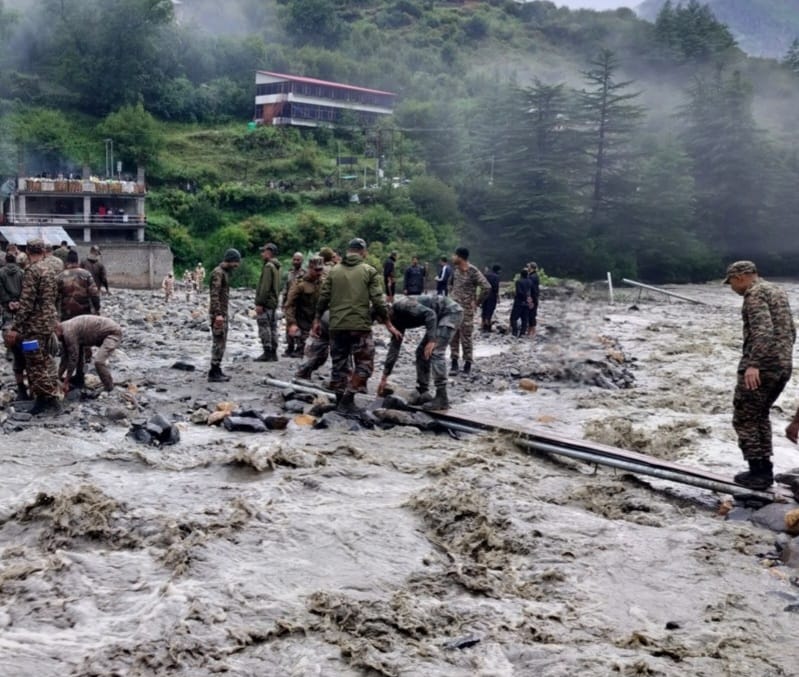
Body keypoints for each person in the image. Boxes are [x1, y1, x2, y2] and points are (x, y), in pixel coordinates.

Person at [725, 261, 795, 490]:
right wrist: (782, 359)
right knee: (760, 415)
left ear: (741, 277)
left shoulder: (754, 294)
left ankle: (758, 472)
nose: (732, 288)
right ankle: (764, 469)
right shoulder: (777, 291)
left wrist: (754, 364)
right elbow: (791, 330)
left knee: (744, 417)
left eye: (731, 282)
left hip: (762, 367)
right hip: (782, 365)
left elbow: (763, 331)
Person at [314, 238, 401, 413]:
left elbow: (323, 297)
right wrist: (388, 323)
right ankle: (348, 399)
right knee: (365, 364)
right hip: (359, 326)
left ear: (349, 250)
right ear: (363, 251)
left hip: (336, 325)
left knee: (339, 364)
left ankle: (339, 402)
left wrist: (316, 320)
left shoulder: (334, 271)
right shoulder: (369, 271)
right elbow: (378, 300)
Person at [377, 294, 463, 410]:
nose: (386, 324)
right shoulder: (395, 322)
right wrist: (384, 377)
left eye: (384, 319)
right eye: (382, 322)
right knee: (421, 352)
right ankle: (423, 392)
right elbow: (394, 348)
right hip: (436, 318)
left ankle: (442, 397)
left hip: (450, 312)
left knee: (436, 352)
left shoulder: (403, 305)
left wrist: (432, 340)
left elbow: (430, 314)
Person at [6, 238, 61, 415]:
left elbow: (27, 304)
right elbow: (53, 298)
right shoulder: (50, 270)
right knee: (47, 360)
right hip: (48, 323)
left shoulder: (32, 271)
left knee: (35, 363)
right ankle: (53, 398)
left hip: (34, 326)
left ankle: (44, 400)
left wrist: (15, 327)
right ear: (43, 251)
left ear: (28, 252)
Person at [448, 246, 490, 375]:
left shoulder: (473, 271)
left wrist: (476, 302)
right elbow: (450, 284)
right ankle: (454, 363)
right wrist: (451, 297)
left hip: (466, 310)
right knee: (453, 335)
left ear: (460, 257)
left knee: (466, 337)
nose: (452, 257)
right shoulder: (455, 270)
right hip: (453, 308)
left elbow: (487, 287)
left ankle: (467, 364)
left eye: (455, 255)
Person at [56, 315, 123, 392]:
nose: (56, 340)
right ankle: (79, 378)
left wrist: (66, 382)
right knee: (78, 351)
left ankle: (109, 388)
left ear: (56, 329)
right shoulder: (64, 330)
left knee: (99, 362)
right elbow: (65, 358)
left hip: (112, 333)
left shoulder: (68, 332)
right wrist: (57, 378)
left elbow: (73, 358)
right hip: (98, 334)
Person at [208, 248, 241, 382]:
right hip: (218, 314)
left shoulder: (224, 273)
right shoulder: (218, 273)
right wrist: (218, 314)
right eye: (236, 262)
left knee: (221, 341)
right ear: (230, 260)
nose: (237, 265)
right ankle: (214, 371)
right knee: (218, 341)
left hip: (222, 312)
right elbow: (214, 294)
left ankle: (217, 368)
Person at [285, 256, 324, 361]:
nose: (319, 273)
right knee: (305, 352)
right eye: (316, 270)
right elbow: (289, 305)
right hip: (302, 322)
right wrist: (292, 323)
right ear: (310, 268)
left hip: (317, 322)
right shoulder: (300, 284)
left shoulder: (323, 283)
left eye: (321, 270)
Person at [0, 252, 27, 400]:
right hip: (21, 305)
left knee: (8, 327)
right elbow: (25, 288)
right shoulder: (22, 272)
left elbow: (0, 288)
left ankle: (10, 349)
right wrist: (19, 301)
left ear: (5, 260)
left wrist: (8, 301)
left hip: (7, 306)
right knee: (21, 329)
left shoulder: (1, 272)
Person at [254, 242, 281, 361]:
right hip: (273, 303)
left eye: (263, 251)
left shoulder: (268, 267)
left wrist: (259, 303)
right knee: (273, 327)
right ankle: (273, 353)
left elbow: (265, 287)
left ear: (269, 253)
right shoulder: (277, 266)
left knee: (264, 326)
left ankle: (267, 352)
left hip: (266, 303)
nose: (262, 254)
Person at [58, 250, 100, 321]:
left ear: (67, 262)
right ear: (77, 262)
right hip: (84, 311)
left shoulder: (61, 276)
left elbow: (56, 296)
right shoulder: (86, 274)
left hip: (67, 312)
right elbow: (94, 294)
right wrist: (97, 308)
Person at [282, 252, 306, 357]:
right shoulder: (290, 273)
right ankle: (290, 347)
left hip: (300, 304)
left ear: (302, 261)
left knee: (300, 325)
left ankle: (300, 349)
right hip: (290, 304)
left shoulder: (304, 274)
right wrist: (283, 302)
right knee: (289, 325)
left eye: (298, 260)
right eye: (294, 259)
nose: (296, 262)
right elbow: (286, 288)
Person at [510, 269, 533, 338]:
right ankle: (522, 333)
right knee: (525, 319)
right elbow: (531, 292)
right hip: (527, 302)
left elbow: (519, 292)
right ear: (527, 275)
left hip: (519, 302)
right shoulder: (530, 281)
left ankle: (515, 332)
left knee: (513, 318)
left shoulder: (518, 282)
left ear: (521, 275)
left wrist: (522, 297)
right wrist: (529, 300)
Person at [481, 264, 501, 332]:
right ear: (498, 270)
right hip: (492, 295)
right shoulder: (496, 277)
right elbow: (496, 288)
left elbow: (482, 284)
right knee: (490, 310)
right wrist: (498, 297)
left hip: (485, 294)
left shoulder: (486, 275)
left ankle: (482, 324)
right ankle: (487, 325)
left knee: (484, 309)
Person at [527, 262, 540, 337]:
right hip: (534, 297)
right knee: (531, 314)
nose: (527, 268)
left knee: (531, 314)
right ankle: (530, 331)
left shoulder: (532, 277)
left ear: (531, 268)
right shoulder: (535, 275)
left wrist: (530, 298)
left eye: (528, 266)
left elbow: (530, 288)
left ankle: (533, 332)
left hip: (532, 298)